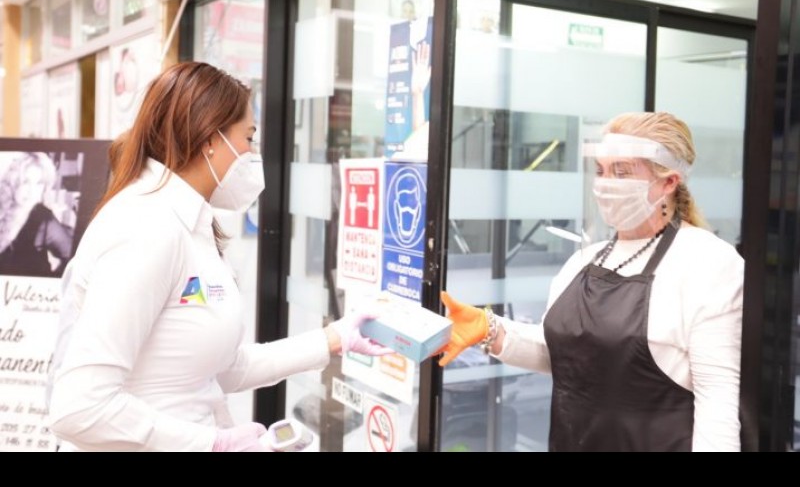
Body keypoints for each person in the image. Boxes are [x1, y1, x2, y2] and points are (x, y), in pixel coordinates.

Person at [47, 62, 391, 452]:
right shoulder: (147, 228)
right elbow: (79, 407)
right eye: (249, 137)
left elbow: (221, 367)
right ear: (211, 138)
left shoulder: (189, 224)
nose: (253, 154)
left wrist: (335, 338)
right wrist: (214, 444)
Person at [439, 111, 744, 452]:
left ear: (669, 182)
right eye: (600, 170)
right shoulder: (585, 261)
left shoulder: (709, 264)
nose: (605, 184)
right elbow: (565, 355)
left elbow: (718, 401)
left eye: (622, 171)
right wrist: (489, 329)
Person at [0, 152, 74, 277]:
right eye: (26, 182)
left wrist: (54, 280)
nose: (31, 191)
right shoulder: (3, 208)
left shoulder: (44, 218)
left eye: (39, 183)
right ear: (14, 182)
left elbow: (74, 256)